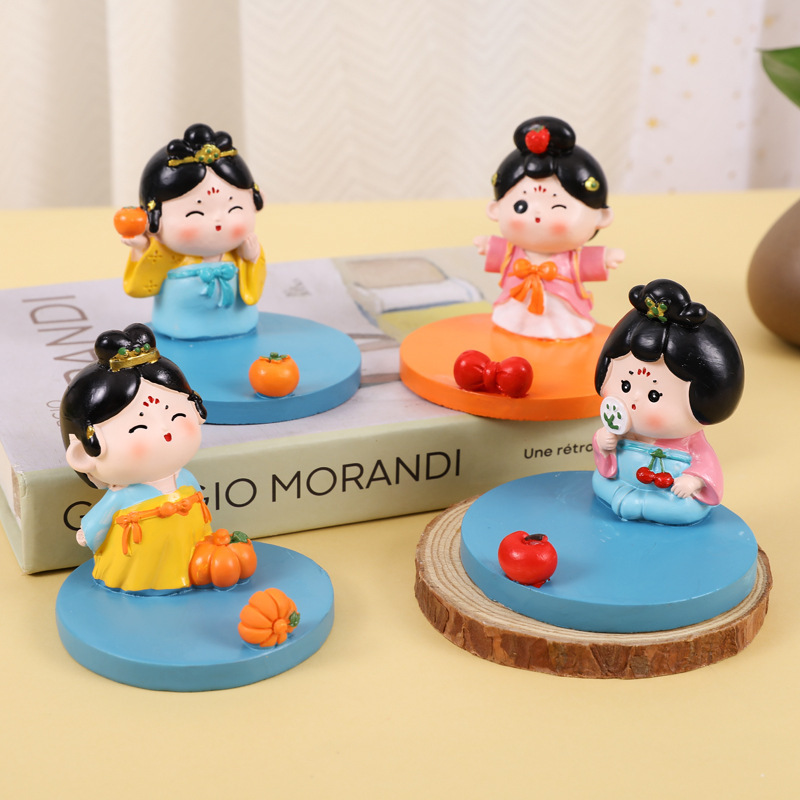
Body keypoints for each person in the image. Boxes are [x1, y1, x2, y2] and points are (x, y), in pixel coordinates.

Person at [60, 323, 212, 593]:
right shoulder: (123, 496)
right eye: (139, 428)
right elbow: (98, 523)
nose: (165, 432)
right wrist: (88, 532)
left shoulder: (185, 478)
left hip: (190, 553)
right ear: (83, 454)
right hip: (139, 565)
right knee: (144, 576)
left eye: (177, 416)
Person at [592, 279, 744, 525]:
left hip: (665, 495)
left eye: (654, 395)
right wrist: (603, 442)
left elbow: (707, 466)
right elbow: (605, 456)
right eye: (625, 386)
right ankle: (629, 500)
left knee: (687, 509)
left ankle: (639, 504)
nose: (634, 399)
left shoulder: (690, 442)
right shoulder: (624, 430)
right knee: (600, 481)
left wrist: (693, 481)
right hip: (621, 482)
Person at [475, 116, 624, 339]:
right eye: (521, 206)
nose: (537, 215)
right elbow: (499, 253)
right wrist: (487, 245)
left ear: (601, 216)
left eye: (557, 207)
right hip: (514, 310)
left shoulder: (570, 259)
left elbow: (587, 262)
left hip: (561, 314)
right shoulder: (512, 251)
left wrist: (606, 257)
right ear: (495, 209)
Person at [122, 123, 265, 340]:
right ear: (152, 218)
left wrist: (250, 259)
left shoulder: (240, 252)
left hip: (240, 323)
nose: (218, 220)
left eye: (234, 208)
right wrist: (143, 250)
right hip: (181, 326)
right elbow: (140, 288)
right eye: (196, 213)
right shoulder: (168, 256)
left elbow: (253, 285)